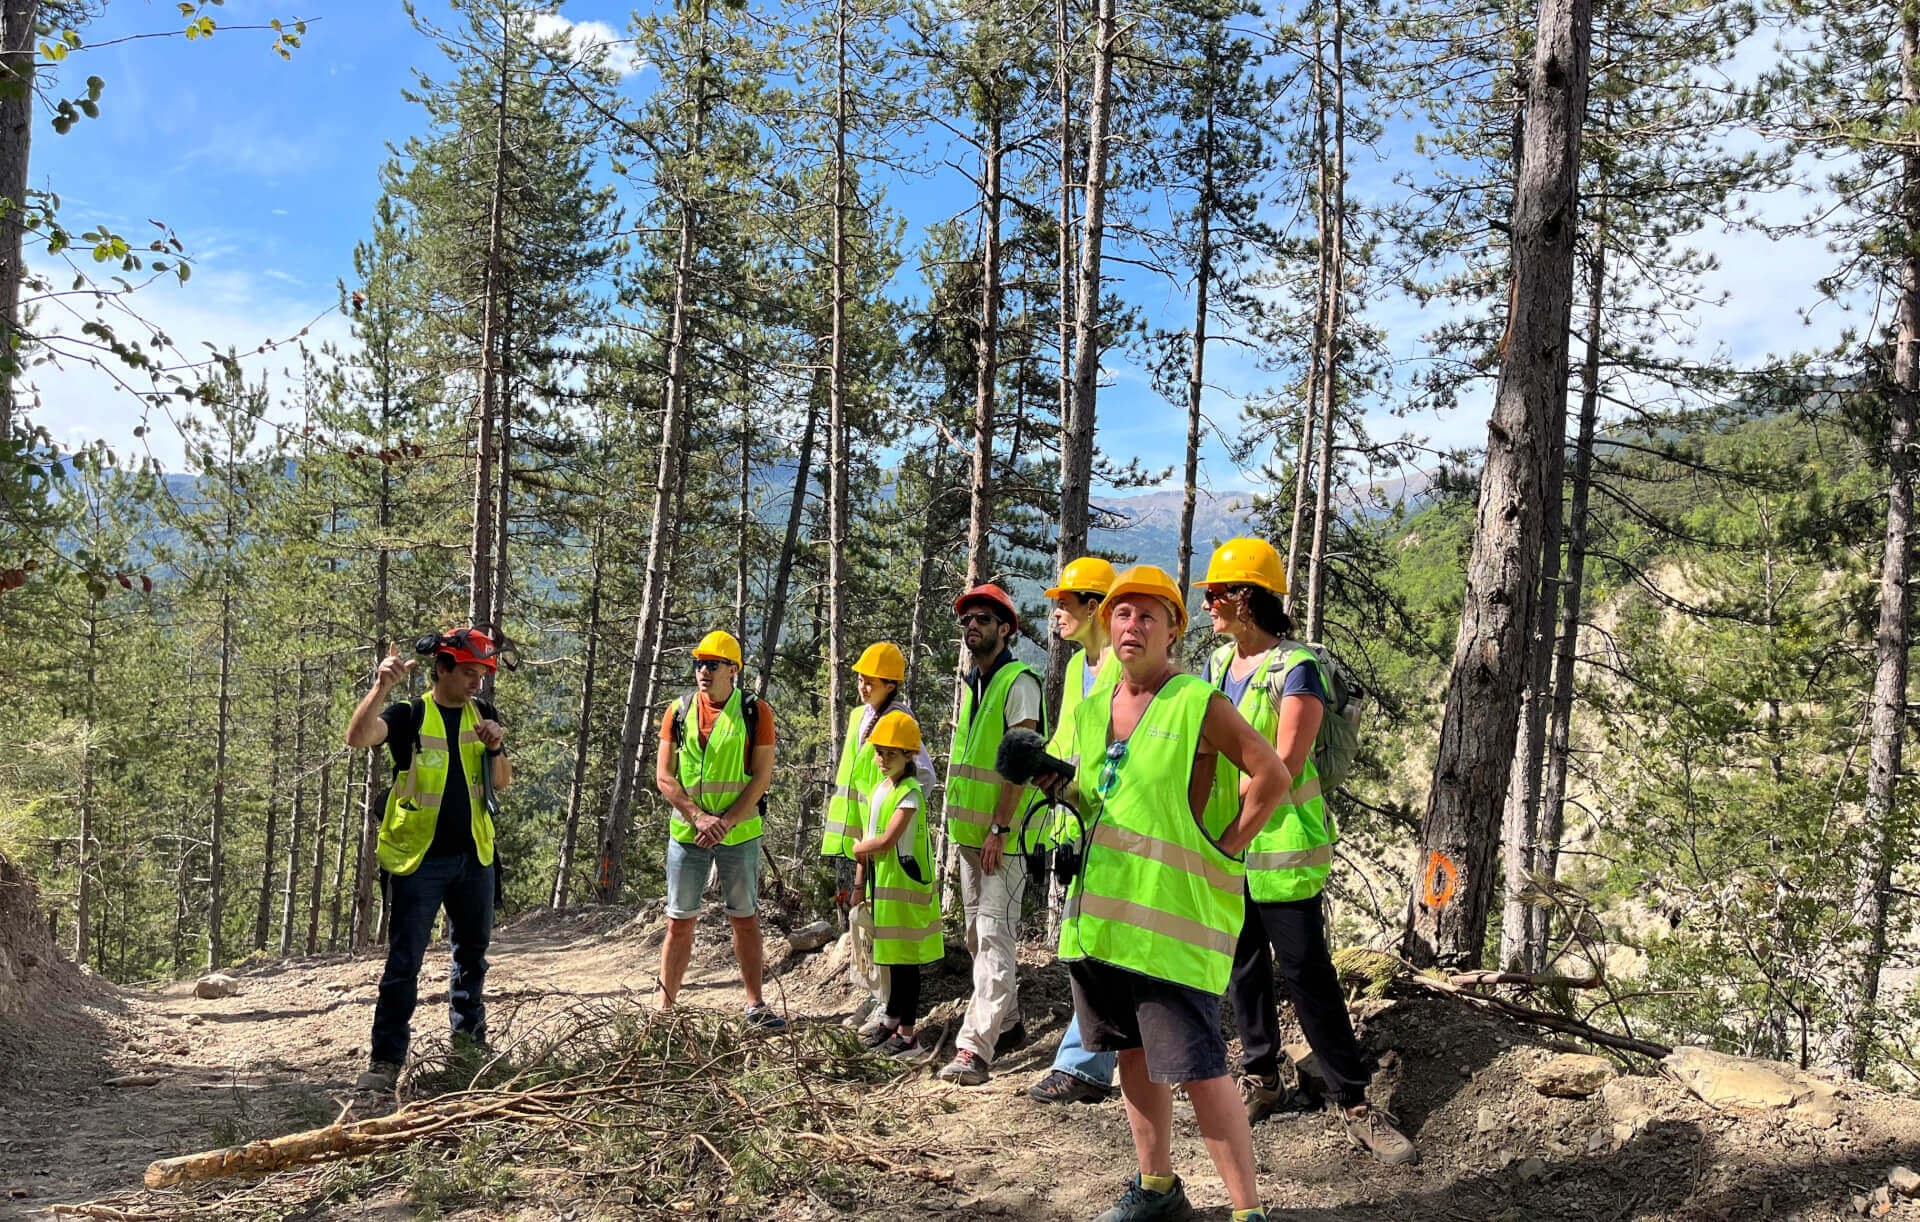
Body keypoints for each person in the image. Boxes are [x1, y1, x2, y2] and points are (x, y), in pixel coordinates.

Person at [1036, 566, 1291, 1222]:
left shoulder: (1194, 702)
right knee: (1131, 1053)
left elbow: (1271, 774)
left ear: (1173, 629)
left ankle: (1246, 1213)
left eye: (1149, 615)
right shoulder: (1093, 709)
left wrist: (1225, 848)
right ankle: (1157, 1190)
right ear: (1107, 625)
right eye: (1122, 614)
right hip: (1100, 921)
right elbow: (1097, 797)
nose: (1133, 625)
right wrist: (1051, 784)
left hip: (1172, 922)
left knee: (1201, 1067)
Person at [1198, 537, 1416, 1166]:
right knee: (1241, 967)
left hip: (1284, 846)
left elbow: (1287, 763)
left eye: (1217, 594)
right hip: (1229, 842)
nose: (1210, 604)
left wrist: (1238, 804)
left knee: (1307, 975)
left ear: (1247, 598)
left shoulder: (1298, 668)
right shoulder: (1217, 666)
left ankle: (1354, 1102)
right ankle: (1263, 1076)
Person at [345, 629, 513, 1093]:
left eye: (482, 673)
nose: (477, 682)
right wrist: (381, 688)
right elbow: (357, 737)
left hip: (475, 857)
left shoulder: (485, 715)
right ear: (442, 669)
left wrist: (496, 747)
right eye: (468, 672)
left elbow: (501, 783)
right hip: (418, 860)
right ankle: (385, 1060)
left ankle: (468, 1050)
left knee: (472, 958)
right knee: (404, 962)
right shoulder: (410, 714)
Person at [936, 583, 1044, 1086]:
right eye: (967, 620)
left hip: (1005, 838)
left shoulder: (1018, 682)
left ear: (1006, 629)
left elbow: (1020, 764)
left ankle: (974, 1049)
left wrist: (1000, 827)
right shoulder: (975, 684)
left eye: (982, 619)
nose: (971, 626)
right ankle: (1014, 1023)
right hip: (969, 836)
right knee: (977, 934)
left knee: (995, 936)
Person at [1025, 557, 1123, 1106]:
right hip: (1078, 820)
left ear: (1095, 608)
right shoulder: (1077, 670)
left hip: (1112, 825)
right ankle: (1098, 1053)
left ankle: (1085, 1063)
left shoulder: (1119, 669)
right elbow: (1068, 743)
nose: (1055, 611)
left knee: (1093, 943)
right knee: (1083, 939)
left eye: (1065, 602)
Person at [655, 629, 785, 1030]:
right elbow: (664, 776)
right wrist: (699, 817)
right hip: (688, 833)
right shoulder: (678, 710)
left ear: (733, 669)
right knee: (679, 920)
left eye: (712, 664)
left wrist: (725, 822)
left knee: (744, 917)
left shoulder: (755, 711)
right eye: (698, 664)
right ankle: (664, 1010)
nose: (703, 671)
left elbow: (761, 778)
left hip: (739, 834)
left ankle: (755, 1004)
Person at [822, 642, 937, 1037]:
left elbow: (926, 776)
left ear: (891, 684)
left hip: (884, 848)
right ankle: (881, 1003)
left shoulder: (899, 722)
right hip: (864, 841)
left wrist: (897, 808)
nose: (861, 685)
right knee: (871, 926)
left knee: (892, 935)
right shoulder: (859, 717)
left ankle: (890, 1011)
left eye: (869, 680)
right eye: (859, 678)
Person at [848, 710, 942, 1063]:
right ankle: (891, 1020)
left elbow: (886, 841)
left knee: (906, 966)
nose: (883, 759)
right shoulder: (881, 789)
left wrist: (857, 849)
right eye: (879, 752)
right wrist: (861, 881)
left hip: (905, 894)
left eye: (891, 753)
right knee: (892, 961)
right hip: (885, 892)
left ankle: (908, 1036)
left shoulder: (910, 792)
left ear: (909, 755)